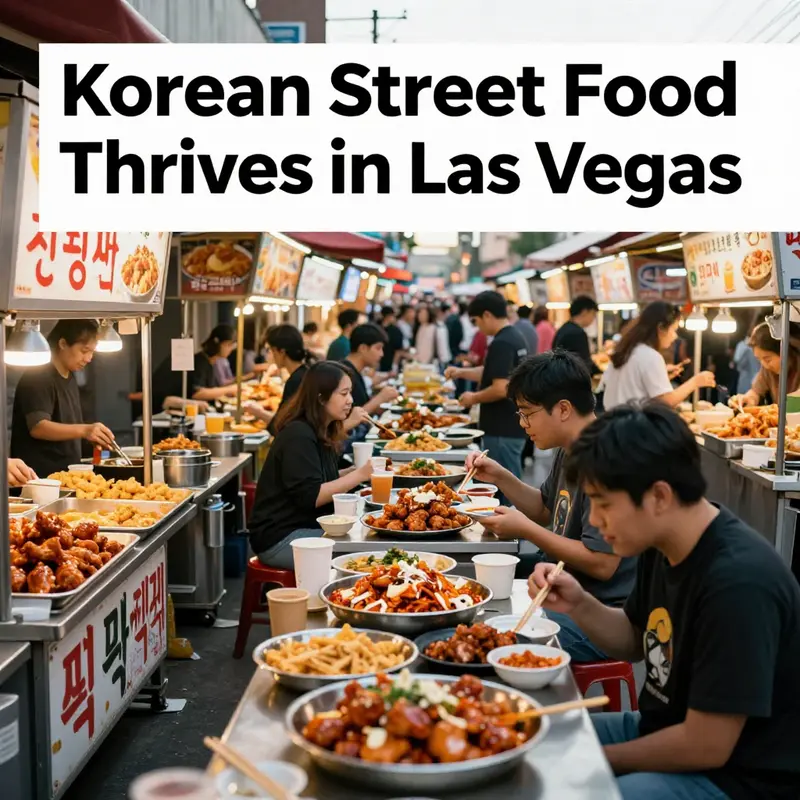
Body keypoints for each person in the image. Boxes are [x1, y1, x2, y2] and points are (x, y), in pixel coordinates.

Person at [530, 403, 800, 799]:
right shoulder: (661, 543)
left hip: (737, 777)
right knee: (533, 735)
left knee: (575, 783)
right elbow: (634, 640)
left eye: (604, 504)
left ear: (659, 496)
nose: (596, 522)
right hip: (662, 726)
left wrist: (592, 760)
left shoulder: (739, 582)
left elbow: (706, 745)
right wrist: (579, 604)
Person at [466, 351, 636, 660]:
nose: (522, 423)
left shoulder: (605, 459)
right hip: (559, 579)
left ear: (563, 409)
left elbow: (602, 563)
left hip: (599, 609)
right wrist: (500, 476)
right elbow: (546, 509)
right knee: (472, 587)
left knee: (497, 645)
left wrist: (526, 530)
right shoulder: (570, 448)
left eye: (527, 413)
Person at [248, 362, 374, 568]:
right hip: (281, 538)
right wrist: (359, 475)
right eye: (344, 393)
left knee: (367, 539)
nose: (350, 400)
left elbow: (316, 478)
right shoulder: (298, 435)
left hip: (305, 527)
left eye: (350, 393)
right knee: (362, 556)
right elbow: (311, 496)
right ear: (321, 398)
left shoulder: (321, 429)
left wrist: (351, 472)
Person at [11, 319, 115, 477]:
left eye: (92, 352)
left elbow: (69, 426)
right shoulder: (38, 376)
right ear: (63, 344)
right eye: (84, 351)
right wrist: (85, 430)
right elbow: (38, 427)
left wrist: (90, 437)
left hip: (67, 476)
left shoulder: (70, 376)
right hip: (40, 478)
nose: (89, 358)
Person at [445, 291, 528, 482]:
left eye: (476, 321)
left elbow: (501, 387)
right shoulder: (514, 336)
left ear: (487, 315)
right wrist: (461, 372)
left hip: (501, 428)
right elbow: (494, 372)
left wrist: (473, 398)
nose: (478, 327)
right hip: (511, 425)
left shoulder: (502, 342)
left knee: (505, 485)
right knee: (510, 481)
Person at [601, 301, 716, 409]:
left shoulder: (627, 350)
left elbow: (633, 384)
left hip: (614, 419)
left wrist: (663, 375)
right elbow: (667, 401)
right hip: (634, 422)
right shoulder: (650, 356)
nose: (675, 336)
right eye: (673, 330)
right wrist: (696, 381)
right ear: (661, 328)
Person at [151, 324, 238, 412]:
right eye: (228, 345)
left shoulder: (208, 361)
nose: (231, 349)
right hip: (166, 407)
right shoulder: (200, 362)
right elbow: (198, 393)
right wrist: (229, 389)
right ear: (216, 343)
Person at [731, 321, 800, 407]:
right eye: (759, 359)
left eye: (767, 359)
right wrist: (749, 398)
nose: (764, 365)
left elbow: (795, 407)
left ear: (786, 352)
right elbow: (756, 391)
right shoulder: (767, 370)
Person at [340, 324, 399, 415]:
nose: (382, 354)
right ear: (363, 348)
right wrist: (381, 398)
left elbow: (361, 406)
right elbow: (349, 418)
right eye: (378, 348)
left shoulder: (355, 371)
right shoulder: (343, 374)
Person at [553, 296, 600, 375]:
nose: (593, 318)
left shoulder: (564, 328)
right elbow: (585, 364)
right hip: (571, 378)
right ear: (585, 312)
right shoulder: (578, 333)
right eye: (593, 314)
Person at [732, 330, 760, 395]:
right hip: (745, 382)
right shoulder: (742, 346)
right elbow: (737, 363)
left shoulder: (760, 347)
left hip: (758, 381)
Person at [378, 306, 404, 373]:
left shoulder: (375, 328)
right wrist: (394, 366)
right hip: (388, 363)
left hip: (377, 363)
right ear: (389, 316)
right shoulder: (396, 331)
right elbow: (398, 350)